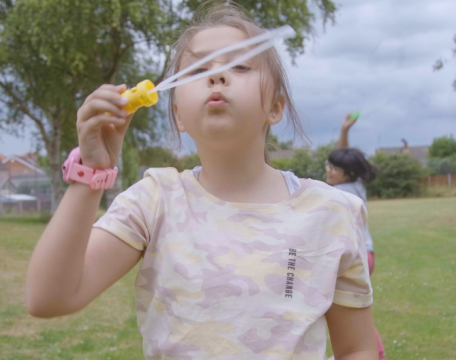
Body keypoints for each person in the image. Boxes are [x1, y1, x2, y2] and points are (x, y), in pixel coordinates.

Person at [25, 2, 379, 359]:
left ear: (275, 106)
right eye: (197, 69)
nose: (217, 75)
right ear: (178, 114)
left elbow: (357, 349)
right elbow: (48, 297)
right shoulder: (155, 201)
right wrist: (91, 174)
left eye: (239, 65)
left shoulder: (330, 212)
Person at [326, 113, 386, 360]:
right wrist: (344, 130)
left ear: (346, 173)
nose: (328, 170)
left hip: (355, 258)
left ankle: (375, 353)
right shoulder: (356, 184)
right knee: (351, 312)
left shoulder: (338, 193)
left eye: (333, 168)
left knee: (349, 314)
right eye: (328, 165)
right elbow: (344, 155)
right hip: (366, 255)